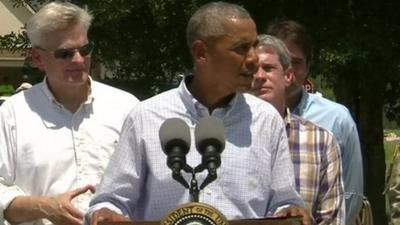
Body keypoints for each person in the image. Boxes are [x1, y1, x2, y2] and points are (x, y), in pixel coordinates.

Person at [87, 2, 310, 225]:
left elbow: (284, 201)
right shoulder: (146, 117)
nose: (253, 59)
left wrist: (291, 210)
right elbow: (110, 201)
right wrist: (104, 213)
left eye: (254, 45)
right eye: (241, 48)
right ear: (201, 52)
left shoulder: (266, 120)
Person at [0, 2, 139, 225]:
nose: (78, 60)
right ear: (37, 58)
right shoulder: (12, 114)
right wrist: (45, 208)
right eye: (64, 53)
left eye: (85, 50)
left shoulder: (126, 108)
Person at [267, 20, 364, 225]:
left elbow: (351, 196)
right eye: (280, 62)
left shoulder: (336, 119)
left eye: (296, 62)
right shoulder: (239, 118)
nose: (288, 72)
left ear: (308, 66)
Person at [252, 34, 345, 224]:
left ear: (287, 76)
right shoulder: (224, 138)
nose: (259, 76)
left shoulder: (320, 141)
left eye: (268, 68)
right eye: (252, 70)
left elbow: (332, 219)